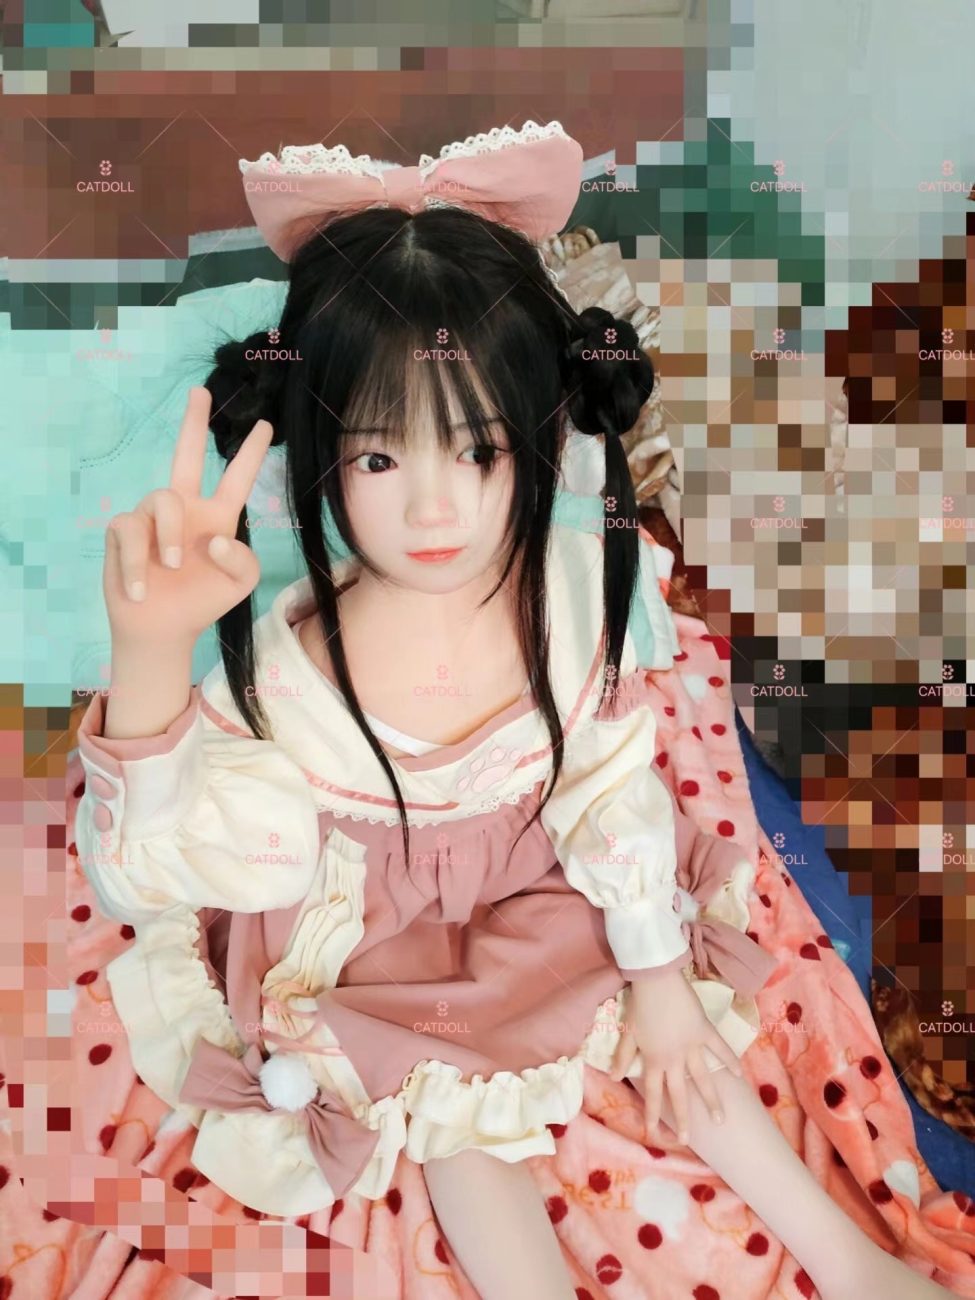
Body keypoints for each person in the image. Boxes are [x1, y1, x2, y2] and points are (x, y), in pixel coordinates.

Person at [73, 121, 963, 1299]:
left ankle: (854, 1264)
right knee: (446, 1108)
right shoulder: (287, 680)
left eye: (478, 452)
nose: (434, 509)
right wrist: (148, 653)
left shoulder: (569, 593)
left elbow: (602, 782)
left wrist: (659, 979)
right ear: (321, 454)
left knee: (684, 1040)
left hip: (539, 876)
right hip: (377, 931)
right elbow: (164, 869)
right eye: (380, 460)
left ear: (536, 438)